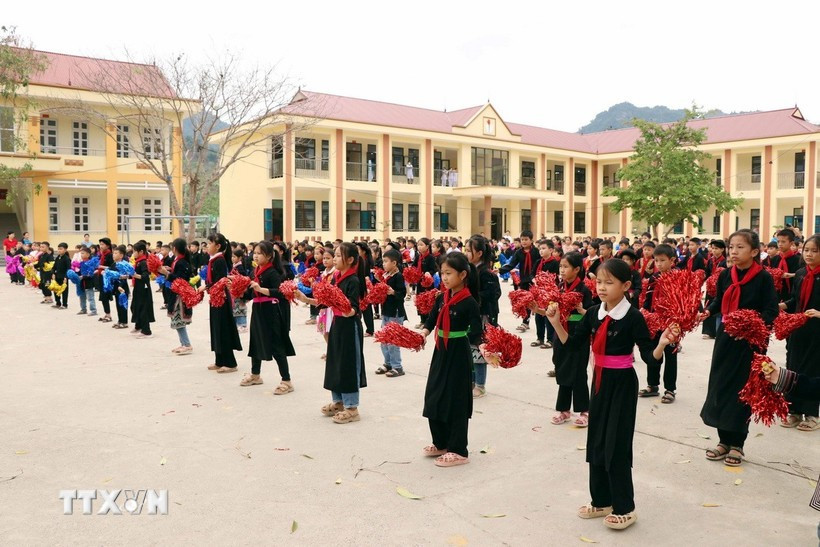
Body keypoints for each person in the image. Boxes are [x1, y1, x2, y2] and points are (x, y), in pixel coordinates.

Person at [545, 258, 675, 530]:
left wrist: (661, 344)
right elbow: (573, 346)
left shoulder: (633, 317)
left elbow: (649, 358)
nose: (601, 287)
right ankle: (601, 500)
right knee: (597, 442)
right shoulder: (594, 313)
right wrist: (557, 323)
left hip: (622, 384)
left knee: (615, 444)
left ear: (626, 285)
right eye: (599, 281)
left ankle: (625, 507)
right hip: (600, 383)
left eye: (609, 282)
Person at [700, 229, 779, 467]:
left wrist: (750, 323)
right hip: (726, 338)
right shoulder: (725, 275)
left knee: (743, 390)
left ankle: (738, 445)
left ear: (755, 252)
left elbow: (771, 311)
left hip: (750, 342)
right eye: (731, 246)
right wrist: (707, 312)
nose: (733, 251)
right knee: (721, 386)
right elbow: (717, 300)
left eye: (740, 247)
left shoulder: (763, 278)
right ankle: (723, 440)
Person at [419, 252, 482, 467]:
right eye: (442, 273)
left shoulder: (469, 302)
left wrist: (484, 346)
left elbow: (476, 332)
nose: (444, 278)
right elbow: (431, 319)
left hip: (458, 353)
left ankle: (458, 449)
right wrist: (423, 333)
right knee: (434, 395)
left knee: (456, 401)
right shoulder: (441, 298)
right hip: (440, 351)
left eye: (448, 273)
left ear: (463, 274)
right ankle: (441, 442)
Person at [298, 242, 367, 424]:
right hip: (336, 324)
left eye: (337, 255)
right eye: (334, 255)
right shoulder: (337, 277)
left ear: (350, 260)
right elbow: (326, 302)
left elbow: (354, 307)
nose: (334, 258)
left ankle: (352, 407)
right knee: (335, 362)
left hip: (348, 326)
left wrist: (349, 311)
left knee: (348, 365)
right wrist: (306, 299)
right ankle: (338, 402)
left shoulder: (353, 280)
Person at [532, 251, 593, 426]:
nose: (562, 270)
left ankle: (584, 410)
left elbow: (591, 315)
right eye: (561, 266)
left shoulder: (584, 289)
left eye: (566, 267)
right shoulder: (558, 288)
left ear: (577, 269)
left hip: (578, 334)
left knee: (579, 373)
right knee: (563, 370)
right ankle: (564, 410)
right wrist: (538, 310)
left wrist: (582, 311)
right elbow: (551, 312)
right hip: (559, 332)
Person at [242, 241, 296, 393]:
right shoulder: (255, 271)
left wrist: (261, 289)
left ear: (269, 256)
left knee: (276, 345)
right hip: (258, 310)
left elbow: (280, 292)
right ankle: (255, 375)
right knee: (256, 341)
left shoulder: (273, 272)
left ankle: (287, 380)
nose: (256, 255)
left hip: (271, 310)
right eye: (255, 252)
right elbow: (251, 293)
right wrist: (239, 292)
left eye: (260, 253)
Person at [779, 233, 820, 430]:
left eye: (815, 251)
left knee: (812, 372)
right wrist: (782, 306)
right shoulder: (801, 273)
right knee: (793, 367)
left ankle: (812, 414)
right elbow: (795, 299)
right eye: (807, 250)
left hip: (817, 332)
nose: (809, 254)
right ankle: (793, 411)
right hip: (798, 329)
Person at [640, 243, 680, 403]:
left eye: (662, 260)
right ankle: (653, 385)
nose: (659, 264)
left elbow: (686, 300)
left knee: (671, 356)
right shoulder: (654, 278)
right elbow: (648, 298)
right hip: (654, 321)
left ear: (672, 260)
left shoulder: (679, 278)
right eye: (656, 260)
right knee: (654, 352)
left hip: (671, 323)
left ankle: (670, 389)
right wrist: (645, 312)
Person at [464, 235, 501, 398]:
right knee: (470, 350)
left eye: (468, 250)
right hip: (471, 316)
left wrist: (472, 299)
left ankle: (480, 385)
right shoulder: (469, 270)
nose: (465, 253)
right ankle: (471, 382)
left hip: (483, 317)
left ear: (479, 253)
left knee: (480, 351)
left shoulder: (486, 273)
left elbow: (493, 294)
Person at [200, 233, 242, 370]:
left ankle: (230, 363)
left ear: (218, 246)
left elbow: (220, 280)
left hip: (221, 299)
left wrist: (206, 286)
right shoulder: (213, 260)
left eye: (210, 243)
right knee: (216, 328)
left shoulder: (220, 261)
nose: (207, 245)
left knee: (223, 328)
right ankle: (219, 360)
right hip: (215, 298)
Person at [375, 248, 407, 377]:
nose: (383, 264)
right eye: (383, 261)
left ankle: (397, 366)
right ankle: (387, 363)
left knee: (393, 341)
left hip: (396, 313)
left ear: (394, 263)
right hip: (386, 312)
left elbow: (403, 294)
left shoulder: (398, 276)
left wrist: (393, 292)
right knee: (384, 339)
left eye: (386, 261)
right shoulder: (385, 276)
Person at [499, 230, 539, 332]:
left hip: (536, 281)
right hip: (524, 280)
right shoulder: (518, 253)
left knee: (538, 302)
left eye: (526, 239)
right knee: (526, 301)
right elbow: (511, 264)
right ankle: (525, 322)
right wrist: (500, 270)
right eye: (522, 240)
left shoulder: (537, 252)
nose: (524, 242)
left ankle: (542, 326)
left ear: (531, 240)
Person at [532, 239, 560, 350]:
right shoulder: (538, 262)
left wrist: (546, 283)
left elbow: (555, 278)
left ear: (551, 250)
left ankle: (550, 339)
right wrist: (534, 279)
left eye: (544, 248)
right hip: (539, 293)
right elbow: (532, 273)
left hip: (550, 294)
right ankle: (539, 338)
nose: (541, 251)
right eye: (540, 249)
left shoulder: (555, 263)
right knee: (538, 315)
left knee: (549, 316)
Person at [702, 239, 728, 339]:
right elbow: (707, 273)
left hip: (719, 287)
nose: (713, 250)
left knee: (717, 308)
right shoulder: (710, 260)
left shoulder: (724, 262)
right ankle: (708, 331)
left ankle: (717, 331)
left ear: (722, 249)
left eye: (716, 248)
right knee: (708, 306)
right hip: (710, 287)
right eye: (712, 248)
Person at [770, 228, 804, 302]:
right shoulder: (774, 259)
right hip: (775, 294)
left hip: (792, 295)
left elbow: (803, 276)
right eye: (778, 241)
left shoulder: (798, 260)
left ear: (791, 243)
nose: (780, 244)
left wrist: (791, 275)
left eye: (783, 242)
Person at [130, 241, 155, 337]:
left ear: (141, 252)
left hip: (143, 289)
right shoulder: (138, 262)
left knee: (143, 309)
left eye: (134, 251)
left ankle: (146, 330)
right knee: (134, 306)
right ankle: (138, 325)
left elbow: (145, 276)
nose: (133, 254)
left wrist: (134, 275)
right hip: (138, 287)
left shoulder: (144, 262)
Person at [230, 249, 250, 333]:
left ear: (240, 258)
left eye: (234, 256)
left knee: (240, 308)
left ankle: (242, 324)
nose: (232, 258)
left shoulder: (240, 268)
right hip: (234, 291)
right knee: (235, 308)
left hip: (239, 291)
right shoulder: (234, 266)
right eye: (232, 256)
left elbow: (242, 279)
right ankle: (237, 324)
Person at [95, 238, 115, 323]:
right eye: (100, 244)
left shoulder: (109, 255)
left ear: (107, 245)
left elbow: (111, 267)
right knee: (103, 297)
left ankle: (109, 315)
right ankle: (106, 314)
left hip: (106, 279)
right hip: (101, 276)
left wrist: (100, 267)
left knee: (105, 297)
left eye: (102, 244)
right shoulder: (102, 254)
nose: (101, 246)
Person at [111, 245, 130, 329]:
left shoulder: (123, 264)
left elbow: (125, 276)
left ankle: (124, 322)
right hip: (116, 287)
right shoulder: (114, 264)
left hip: (122, 287)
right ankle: (120, 321)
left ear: (121, 255)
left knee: (123, 305)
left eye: (116, 253)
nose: (113, 255)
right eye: (113, 253)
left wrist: (120, 286)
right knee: (118, 305)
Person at [76, 246, 97, 316]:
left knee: (90, 297)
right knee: (82, 297)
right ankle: (83, 309)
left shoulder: (90, 263)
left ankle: (93, 310)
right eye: (81, 253)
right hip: (81, 282)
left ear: (88, 254)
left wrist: (83, 276)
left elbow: (91, 274)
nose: (81, 255)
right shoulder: (81, 263)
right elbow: (78, 272)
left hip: (88, 282)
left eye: (83, 253)